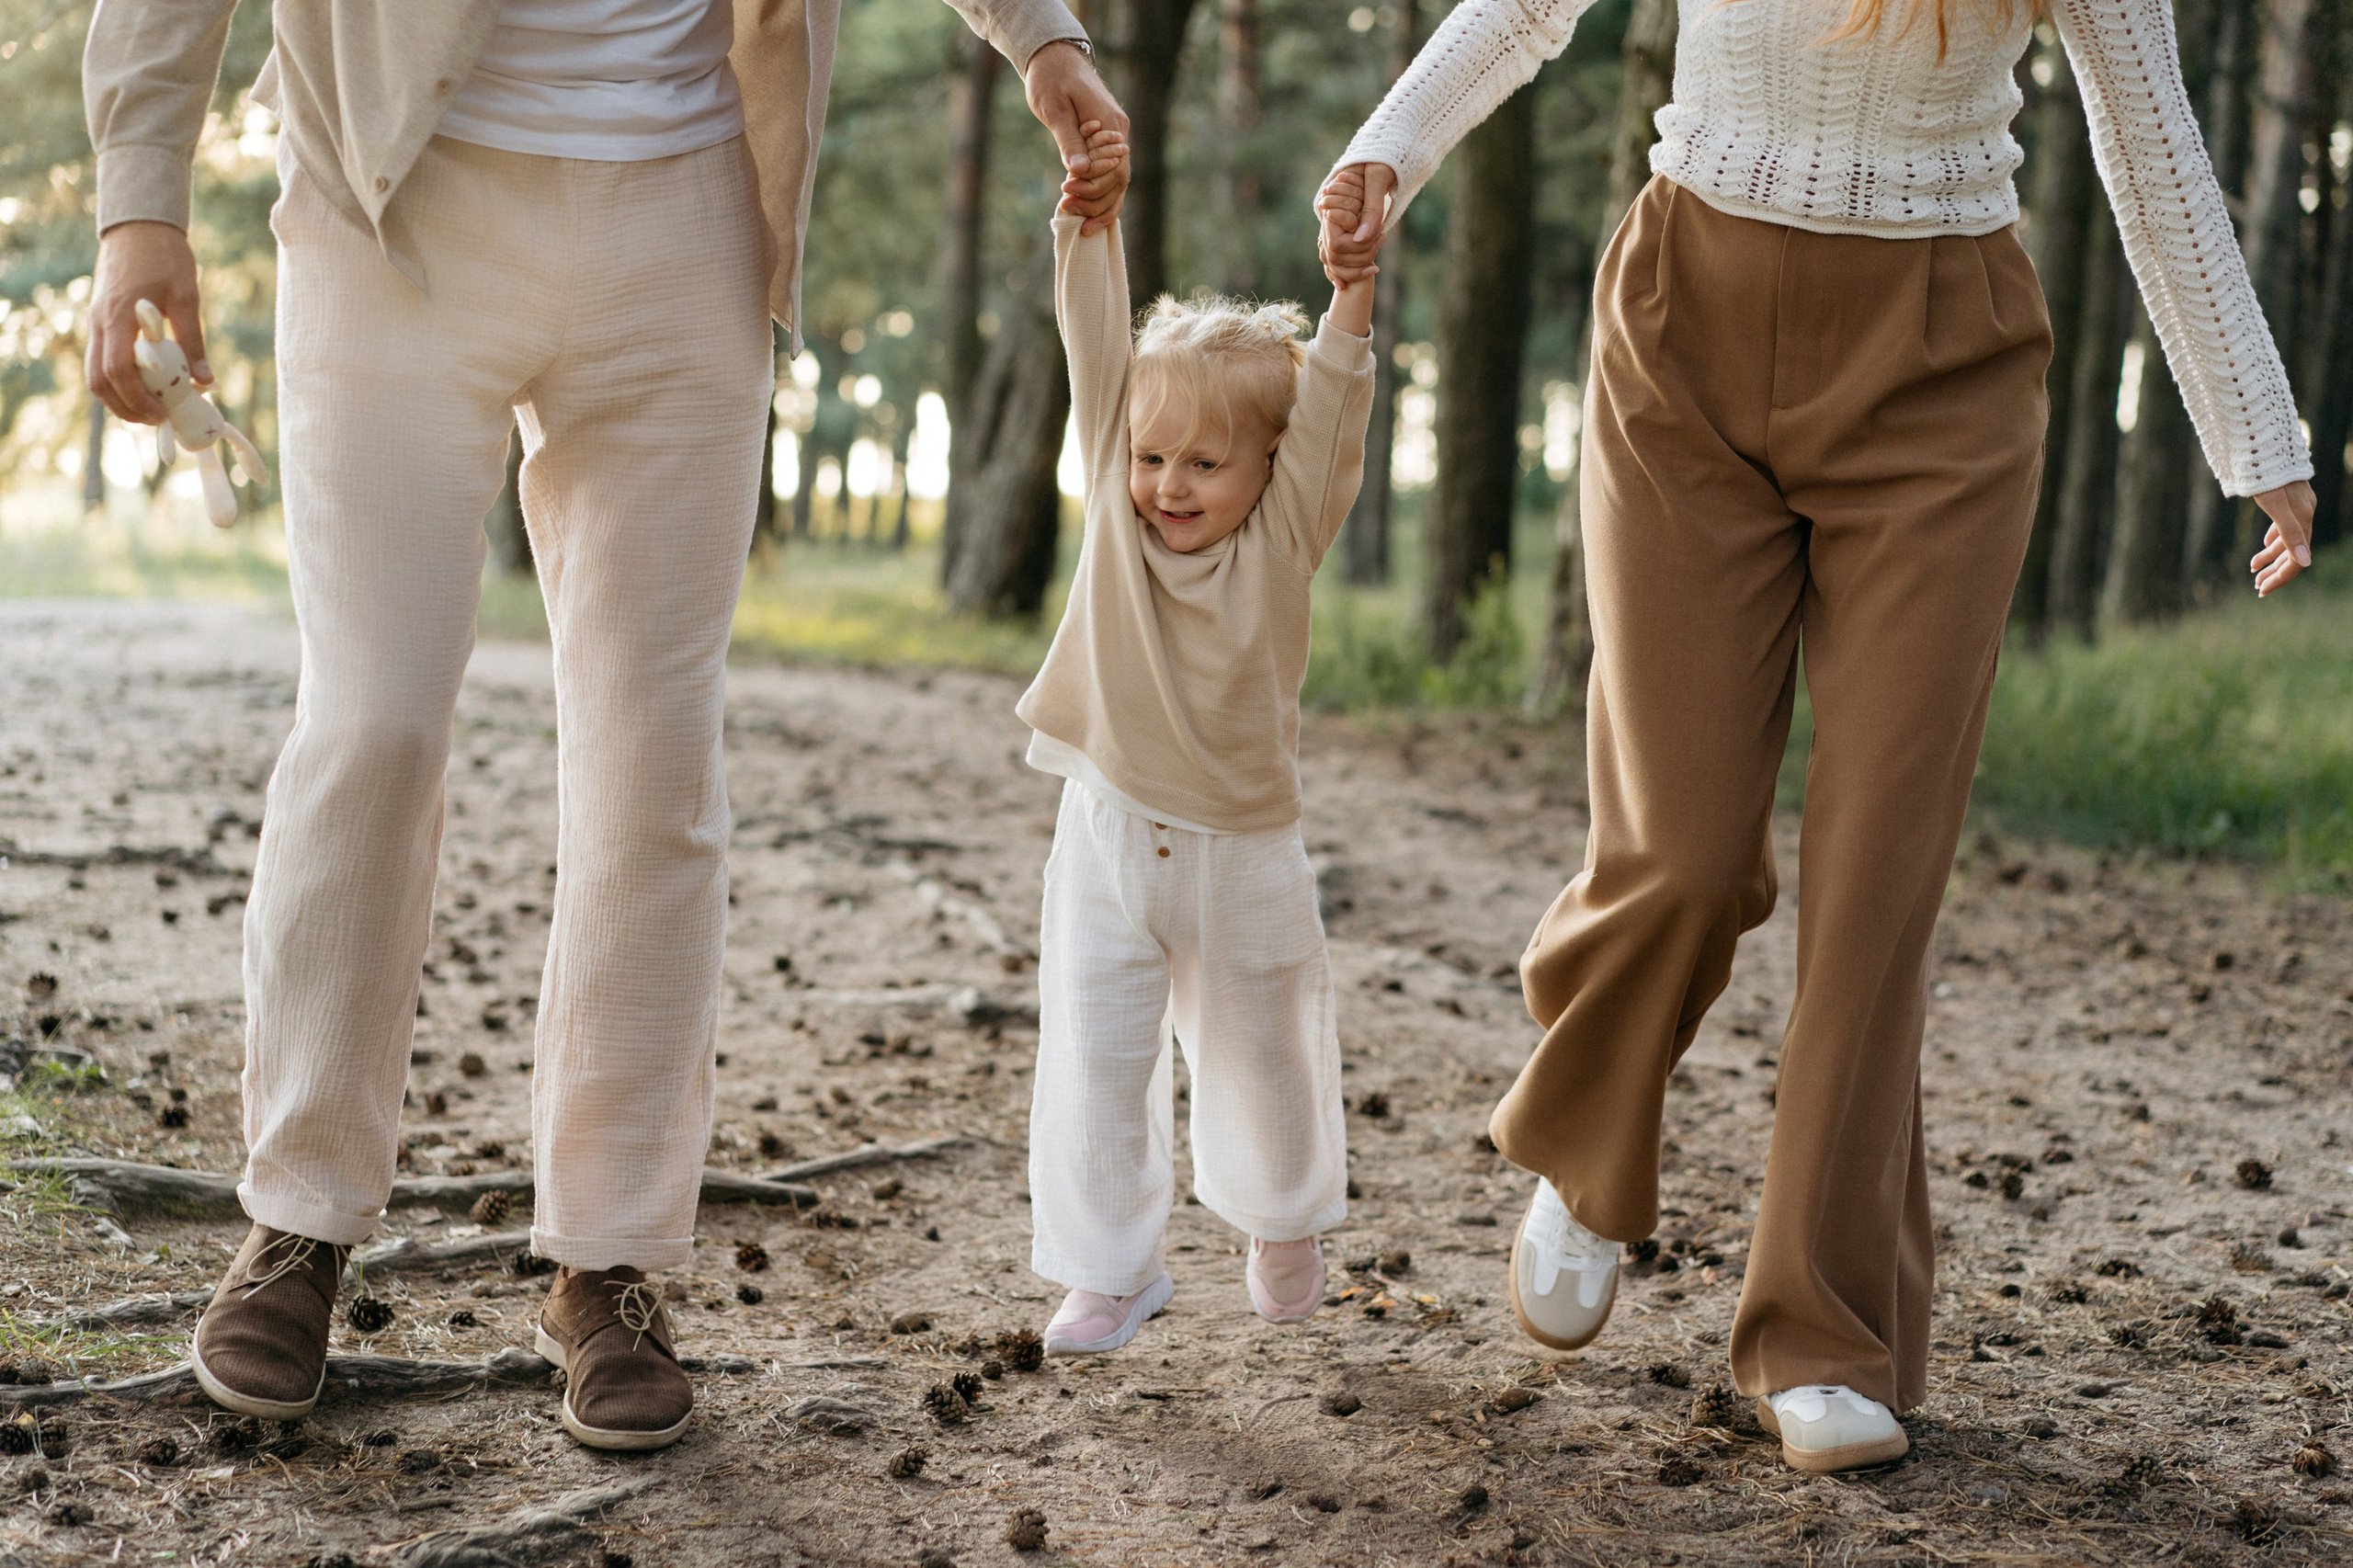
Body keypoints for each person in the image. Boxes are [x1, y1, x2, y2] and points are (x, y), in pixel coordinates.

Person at [81, 0, 1127, 1452]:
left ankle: (608, 1256)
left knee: (652, 761)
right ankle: (300, 1217)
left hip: (688, 196)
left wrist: (1044, 40)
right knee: (372, 720)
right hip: (395, 194)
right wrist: (141, 203)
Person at [1317, 0, 2317, 1473]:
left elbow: (2151, 136)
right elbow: (1530, 8)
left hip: (1943, 368)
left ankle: (1824, 1328)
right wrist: (1389, 149)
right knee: (1682, 842)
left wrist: (2261, 437)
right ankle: (1593, 1142)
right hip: (1685, 331)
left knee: (1877, 886)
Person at [1014, 132, 1380, 1356]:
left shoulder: (1281, 541)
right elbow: (1095, 350)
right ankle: (1109, 1270)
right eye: (1152, 456)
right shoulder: (1117, 520)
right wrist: (1092, 220)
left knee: (1264, 1052)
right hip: (1108, 826)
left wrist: (1354, 293)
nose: (1168, 484)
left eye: (1206, 463)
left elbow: (1330, 409)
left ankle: (1280, 1217)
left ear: (1270, 469)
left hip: (1243, 851)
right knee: (1096, 1058)